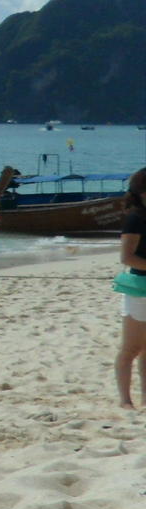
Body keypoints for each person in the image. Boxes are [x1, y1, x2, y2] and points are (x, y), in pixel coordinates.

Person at [113, 168, 146, 408]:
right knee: (131, 348)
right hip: (139, 289)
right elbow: (126, 257)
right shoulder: (136, 217)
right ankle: (125, 401)